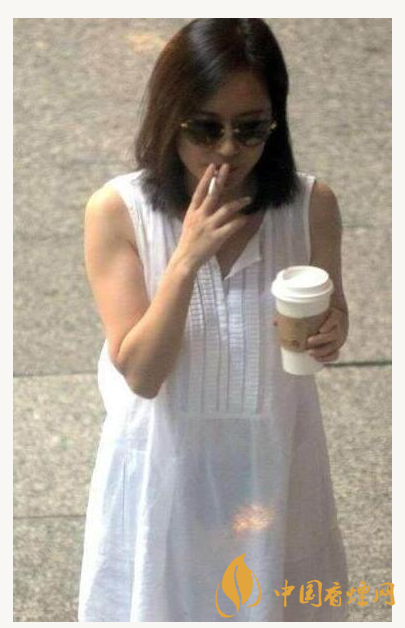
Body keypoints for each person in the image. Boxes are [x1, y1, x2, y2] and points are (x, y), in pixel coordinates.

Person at [78, 18, 350, 622]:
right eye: (206, 128)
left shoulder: (311, 206)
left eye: (251, 129)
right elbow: (142, 374)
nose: (228, 149)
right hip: (163, 474)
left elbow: (334, 311)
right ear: (168, 117)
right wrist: (185, 261)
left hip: (274, 464)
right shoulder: (117, 211)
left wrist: (333, 330)